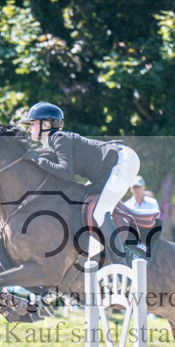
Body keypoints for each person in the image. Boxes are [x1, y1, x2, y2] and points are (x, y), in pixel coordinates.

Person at [19, 102, 140, 264]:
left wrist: (38, 159)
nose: (29, 128)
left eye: (33, 124)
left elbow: (65, 172)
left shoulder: (59, 138)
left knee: (99, 212)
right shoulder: (54, 142)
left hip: (123, 161)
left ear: (47, 124)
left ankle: (121, 261)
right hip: (106, 171)